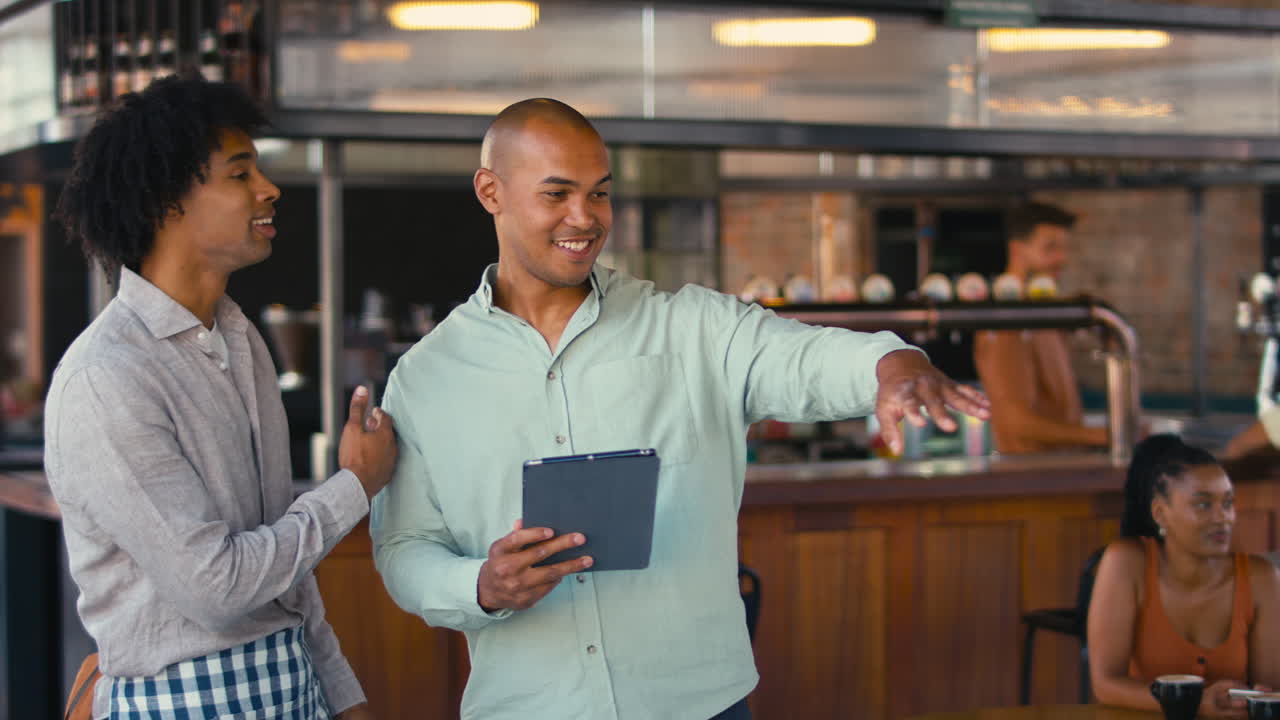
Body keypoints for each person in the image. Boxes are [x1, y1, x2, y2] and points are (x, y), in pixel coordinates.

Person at [370, 98, 989, 719]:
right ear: (490, 191)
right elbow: (403, 545)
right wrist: (479, 586)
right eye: (556, 194)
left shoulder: (691, 328)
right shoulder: (428, 377)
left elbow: (808, 357)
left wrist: (894, 365)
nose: (583, 219)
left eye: (600, 194)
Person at [45, 74, 396, 719]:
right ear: (164, 201)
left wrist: (342, 696)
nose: (269, 189)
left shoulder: (239, 340)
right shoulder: (106, 377)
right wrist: (354, 486)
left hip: (292, 687)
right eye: (239, 175)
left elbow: (282, 574)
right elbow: (218, 587)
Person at [1088, 434, 1280, 718]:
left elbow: (1270, 691)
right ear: (1160, 513)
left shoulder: (1262, 578)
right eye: (1203, 505)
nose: (1222, 517)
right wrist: (1196, 706)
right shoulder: (1126, 564)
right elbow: (1106, 685)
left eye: (1228, 503)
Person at [974, 202, 1109, 454]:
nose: (1062, 258)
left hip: (1062, 472)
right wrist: (1109, 435)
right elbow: (1016, 423)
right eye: (1050, 248)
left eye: (1064, 248)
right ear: (1017, 250)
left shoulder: (1044, 314)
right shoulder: (1006, 321)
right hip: (1031, 480)